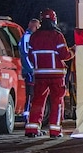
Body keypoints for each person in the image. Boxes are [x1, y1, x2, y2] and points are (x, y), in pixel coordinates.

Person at [25, 9, 74, 138]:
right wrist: (74, 50)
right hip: (56, 76)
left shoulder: (34, 36)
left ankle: (32, 129)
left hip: (40, 75)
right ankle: (55, 130)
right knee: (57, 102)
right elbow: (65, 55)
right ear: (54, 20)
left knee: (37, 101)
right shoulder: (57, 36)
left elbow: (30, 56)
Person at [19, 18, 40, 121]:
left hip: (31, 70)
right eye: (38, 27)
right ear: (34, 27)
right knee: (30, 95)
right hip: (30, 72)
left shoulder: (29, 37)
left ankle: (30, 117)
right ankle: (27, 117)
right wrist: (31, 69)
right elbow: (25, 55)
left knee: (33, 95)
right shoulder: (27, 37)